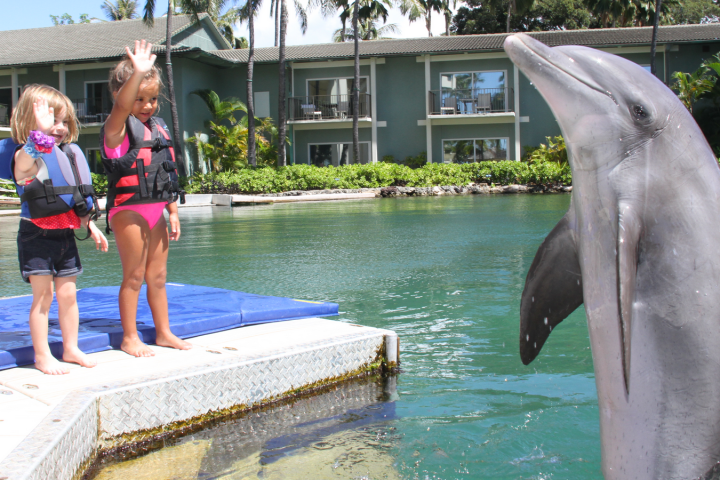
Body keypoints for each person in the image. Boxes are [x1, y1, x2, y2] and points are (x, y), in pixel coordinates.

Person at [101, 39, 191, 357]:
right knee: (135, 276)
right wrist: (137, 74)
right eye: (139, 98)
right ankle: (129, 337)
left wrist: (173, 212)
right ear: (121, 95)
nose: (147, 105)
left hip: (157, 211)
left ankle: (164, 332)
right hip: (130, 211)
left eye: (152, 98)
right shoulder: (118, 129)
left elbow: (165, 173)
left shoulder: (158, 128)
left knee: (159, 276)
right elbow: (123, 107)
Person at [11, 84, 108, 375]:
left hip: (65, 235)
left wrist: (90, 225)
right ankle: (42, 355)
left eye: (64, 122)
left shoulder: (67, 155)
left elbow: (74, 200)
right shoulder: (27, 156)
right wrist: (39, 134)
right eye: (53, 121)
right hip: (36, 235)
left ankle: (71, 347)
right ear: (31, 122)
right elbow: (23, 168)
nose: (61, 128)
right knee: (43, 297)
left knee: (68, 295)